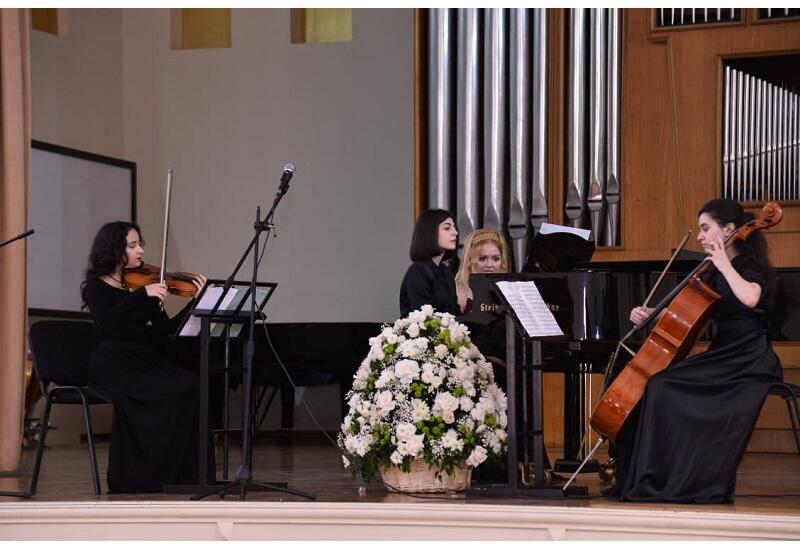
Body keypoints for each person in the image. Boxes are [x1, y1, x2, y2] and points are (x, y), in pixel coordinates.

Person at [608, 198, 782, 503]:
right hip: (724, 353)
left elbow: (751, 297)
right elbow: (690, 312)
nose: (700, 236)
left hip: (748, 359)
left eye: (706, 228)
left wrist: (724, 264)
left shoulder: (747, 266)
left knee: (663, 386)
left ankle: (674, 480)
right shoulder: (714, 271)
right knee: (658, 382)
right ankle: (647, 476)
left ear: (729, 229)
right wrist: (652, 314)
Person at [80, 221, 210, 493]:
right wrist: (141, 295)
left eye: (140, 244)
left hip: (142, 360)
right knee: (161, 393)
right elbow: (106, 324)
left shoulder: (146, 286)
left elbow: (167, 331)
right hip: (112, 363)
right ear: (115, 249)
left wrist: (195, 304)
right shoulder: (96, 286)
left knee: (191, 385)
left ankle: (183, 475)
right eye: (132, 245)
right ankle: (141, 476)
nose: (140, 250)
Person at [399, 209, 460, 317]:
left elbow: (455, 314)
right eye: (447, 228)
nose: (455, 232)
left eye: (454, 227)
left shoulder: (446, 272)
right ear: (430, 232)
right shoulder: (417, 272)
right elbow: (424, 318)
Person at [455, 228, 511, 314]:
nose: (489, 265)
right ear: (470, 260)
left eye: (496, 259)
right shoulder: (459, 293)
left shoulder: (510, 292)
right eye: (482, 259)